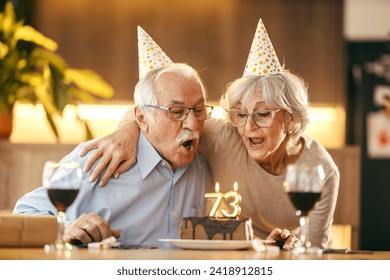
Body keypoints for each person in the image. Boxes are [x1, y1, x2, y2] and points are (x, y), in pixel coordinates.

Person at [79, 19, 339, 250]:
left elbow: (313, 251)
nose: (248, 127)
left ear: (292, 119)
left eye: (262, 114)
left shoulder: (320, 171)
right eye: (240, 113)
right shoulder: (225, 136)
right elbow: (162, 115)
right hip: (224, 257)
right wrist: (127, 128)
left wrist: (286, 250)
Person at [13, 27, 214, 248]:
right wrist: (66, 229)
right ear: (142, 117)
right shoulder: (97, 160)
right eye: (176, 112)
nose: (193, 124)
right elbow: (25, 212)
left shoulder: (208, 157)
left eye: (199, 110)